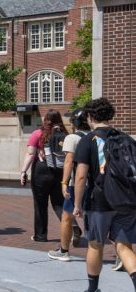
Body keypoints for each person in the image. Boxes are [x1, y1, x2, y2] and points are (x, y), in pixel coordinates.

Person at [72, 97, 136, 292]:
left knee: (95, 244)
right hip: (126, 199)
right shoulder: (126, 139)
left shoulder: (88, 139)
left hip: (99, 200)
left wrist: (77, 204)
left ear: (89, 116)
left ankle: (92, 291)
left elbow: (81, 176)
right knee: (124, 246)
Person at [20, 109, 68, 242]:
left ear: (45, 119)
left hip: (41, 171)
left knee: (40, 204)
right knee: (59, 203)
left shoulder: (37, 133)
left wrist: (23, 171)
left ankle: (40, 235)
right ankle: (72, 226)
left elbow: (30, 154)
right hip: (59, 171)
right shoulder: (64, 134)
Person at [46, 108, 88, 261]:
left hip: (76, 183)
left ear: (75, 122)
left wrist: (64, 182)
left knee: (66, 217)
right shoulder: (94, 136)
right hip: (96, 183)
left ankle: (64, 251)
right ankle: (121, 253)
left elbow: (68, 161)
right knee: (99, 218)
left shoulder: (72, 138)